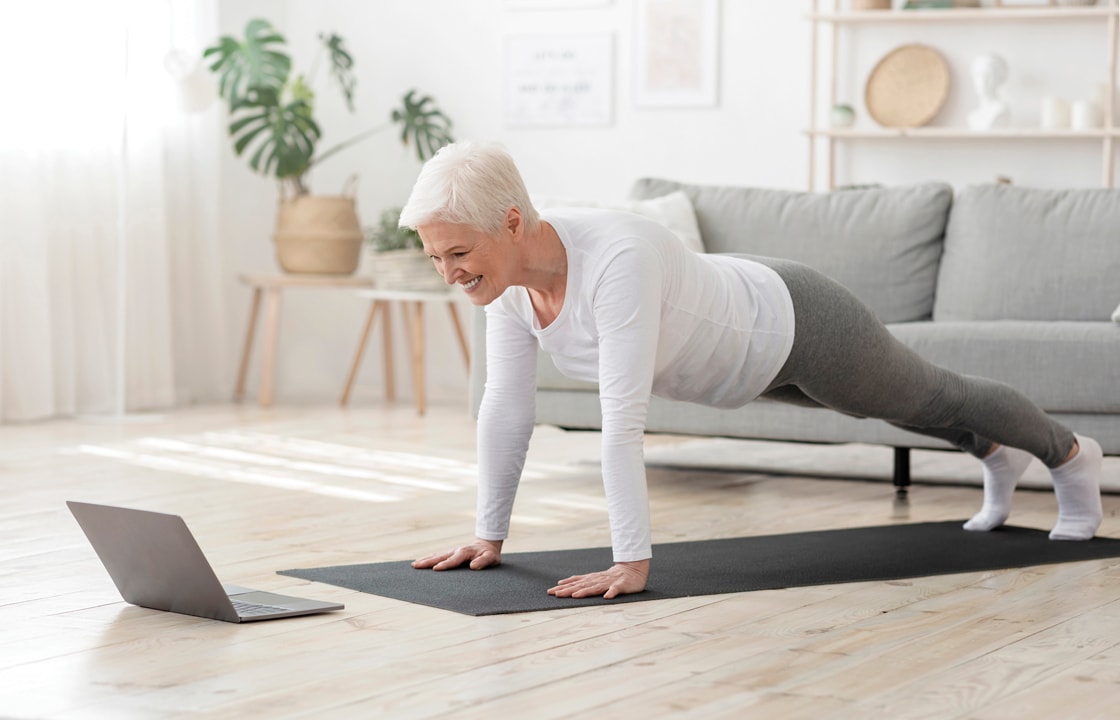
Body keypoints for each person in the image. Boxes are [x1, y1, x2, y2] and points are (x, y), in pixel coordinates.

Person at [405, 141, 1104, 600]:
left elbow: (622, 425)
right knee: (888, 409)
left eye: (457, 253)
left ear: (512, 222)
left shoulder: (616, 257)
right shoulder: (505, 287)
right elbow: (505, 405)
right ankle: (991, 452)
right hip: (741, 365)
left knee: (928, 393)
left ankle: (1069, 456)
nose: (448, 273)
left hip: (793, 322)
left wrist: (632, 561)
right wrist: (487, 536)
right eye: (435, 258)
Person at [967, 53, 1011, 131]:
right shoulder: (973, 115)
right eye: (978, 75)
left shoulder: (1001, 110)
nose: (983, 81)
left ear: (999, 78)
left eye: (988, 75)